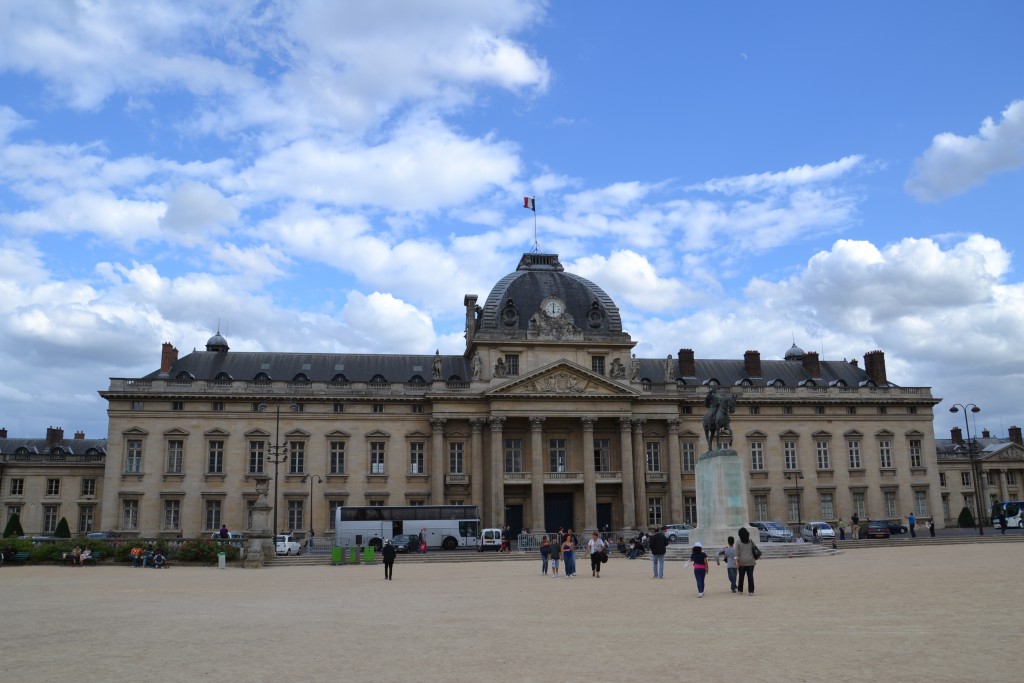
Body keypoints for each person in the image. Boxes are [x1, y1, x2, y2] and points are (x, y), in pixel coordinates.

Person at [736, 526, 757, 596]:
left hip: (742, 561)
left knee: (741, 576)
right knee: (750, 576)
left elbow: (737, 553)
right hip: (751, 561)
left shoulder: (738, 541)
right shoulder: (750, 540)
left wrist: (737, 562)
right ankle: (751, 591)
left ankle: (740, 590)